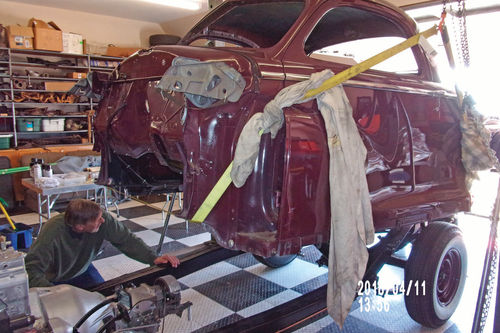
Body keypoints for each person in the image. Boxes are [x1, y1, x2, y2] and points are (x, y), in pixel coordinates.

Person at [25, 199, 180, 289]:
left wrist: (153, 258)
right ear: (80, 227)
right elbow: (31, 271)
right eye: (97, 220)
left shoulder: (102, 219)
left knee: (106, 303)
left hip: (83, 270)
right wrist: (55, 294)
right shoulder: (52, 232)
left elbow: (126, 239)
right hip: (55, 278)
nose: (103, 220)